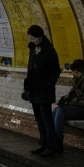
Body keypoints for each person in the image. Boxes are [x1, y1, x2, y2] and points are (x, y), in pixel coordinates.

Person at [23, 25, 62, 157]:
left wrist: (48, 84)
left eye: (33, 37)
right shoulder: (33, 50)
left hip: (45, 92)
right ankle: (44, 144)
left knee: (47, 119)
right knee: (39, 119)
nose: (31, 39)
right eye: (30, 37)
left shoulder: (50, 52)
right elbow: (30, 69)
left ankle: (51, 146)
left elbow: (55, 71)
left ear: (40, 37)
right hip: (34, 90)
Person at [51, 59, 84, 152]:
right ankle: (52, 140)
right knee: (57, 109)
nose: (73, 76)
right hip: (80, 109)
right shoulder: (81, 81)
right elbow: (71, 95)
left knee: (60, 111)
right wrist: (63, 101)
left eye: (74, 73)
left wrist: (73, 102)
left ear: (79, 72)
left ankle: (57, 142)